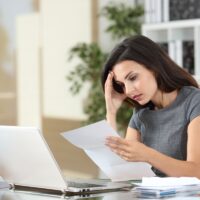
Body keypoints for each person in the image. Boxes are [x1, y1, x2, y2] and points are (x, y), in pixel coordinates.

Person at [101, 35, 200, 177]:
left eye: (133, 78)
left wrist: (148, 155)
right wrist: (111, 112)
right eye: (122, 84)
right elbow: (123, 173)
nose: (128, 91)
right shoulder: (141, 113)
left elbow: (196, 171)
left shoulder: (194, 101)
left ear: (154, 67)